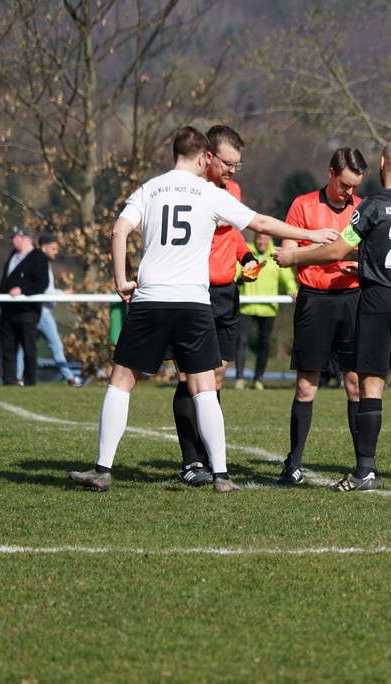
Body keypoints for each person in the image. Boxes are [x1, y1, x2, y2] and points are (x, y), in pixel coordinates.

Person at [69, 126, 336, 493]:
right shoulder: (209, 194)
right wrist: (312, 235)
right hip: (194, 302)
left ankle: (102, 469)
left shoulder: (149, 189)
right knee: (204, 387)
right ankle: (222, 476)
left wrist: (120, 281)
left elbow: (119, 231)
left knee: (122, 382)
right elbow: (260, 223)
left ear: (173, 154)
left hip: (151, 298)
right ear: (203, 157)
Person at [274, 139, 391, 492]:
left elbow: (338, 248)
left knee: (369, 386)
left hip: (375, 301)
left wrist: (296, 257)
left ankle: (365, 469)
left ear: (382, 165)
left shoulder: (372, 206)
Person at [171, 125, 258, 487]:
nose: (233, 171)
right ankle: (191, 461)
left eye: (238, 165)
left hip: (226, 294)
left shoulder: (232, 191)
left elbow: (235, 234)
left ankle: (210, 456)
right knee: (190, 377)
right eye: (228, 164)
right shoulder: (188, 190)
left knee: (216, 377)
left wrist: (247, 258)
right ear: (208, 157)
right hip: (194, 293)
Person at [275, 147, 367, 487]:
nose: (349, 192)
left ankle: (363, 465)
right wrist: (322, 249)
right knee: (305, 386)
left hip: (353, 300)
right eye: (344, 184)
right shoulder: (303, 206)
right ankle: (294, 463)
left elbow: (372, 251)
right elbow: (287, 253)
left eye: (355, 186)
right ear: (331, 173)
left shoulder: (362, 208)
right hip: (314, 300)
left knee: (355, 384)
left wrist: (357, 261)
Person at [17, 234, 87, 388]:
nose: (56, 252)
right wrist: (62, 294)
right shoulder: (41, 262)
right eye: (53, 249)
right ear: (44, 248)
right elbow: (44, 291)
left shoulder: (42, 262)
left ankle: (17, 377)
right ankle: (71, 378)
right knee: (56, 346)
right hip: (43, 312)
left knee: (27, 346)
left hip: (39, 310)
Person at [234, 232, 298, 390]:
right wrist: (238, 280)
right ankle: (239, 378)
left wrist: (292, 290)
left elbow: (287, 276)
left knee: (264, 344)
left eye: (264, 239)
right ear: (255, 238)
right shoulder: (246, 252)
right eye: (259, 239)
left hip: (268, 308)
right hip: (247, 307)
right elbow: (235, 273)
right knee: (241, 341)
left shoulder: (275, 254)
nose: (261, 242)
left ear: (269, 239)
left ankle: (258, 379)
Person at [0, 225, 50, 386]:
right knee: (8, 348)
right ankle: (8, 380)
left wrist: (22, 290)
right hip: (8, 311)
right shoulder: (13, 256)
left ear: (23, 238)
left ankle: (29, 381)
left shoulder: (38, 257)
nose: (12, 241)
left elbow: (42, 283)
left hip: (27, 312)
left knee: (29, 348)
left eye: (14, 237)